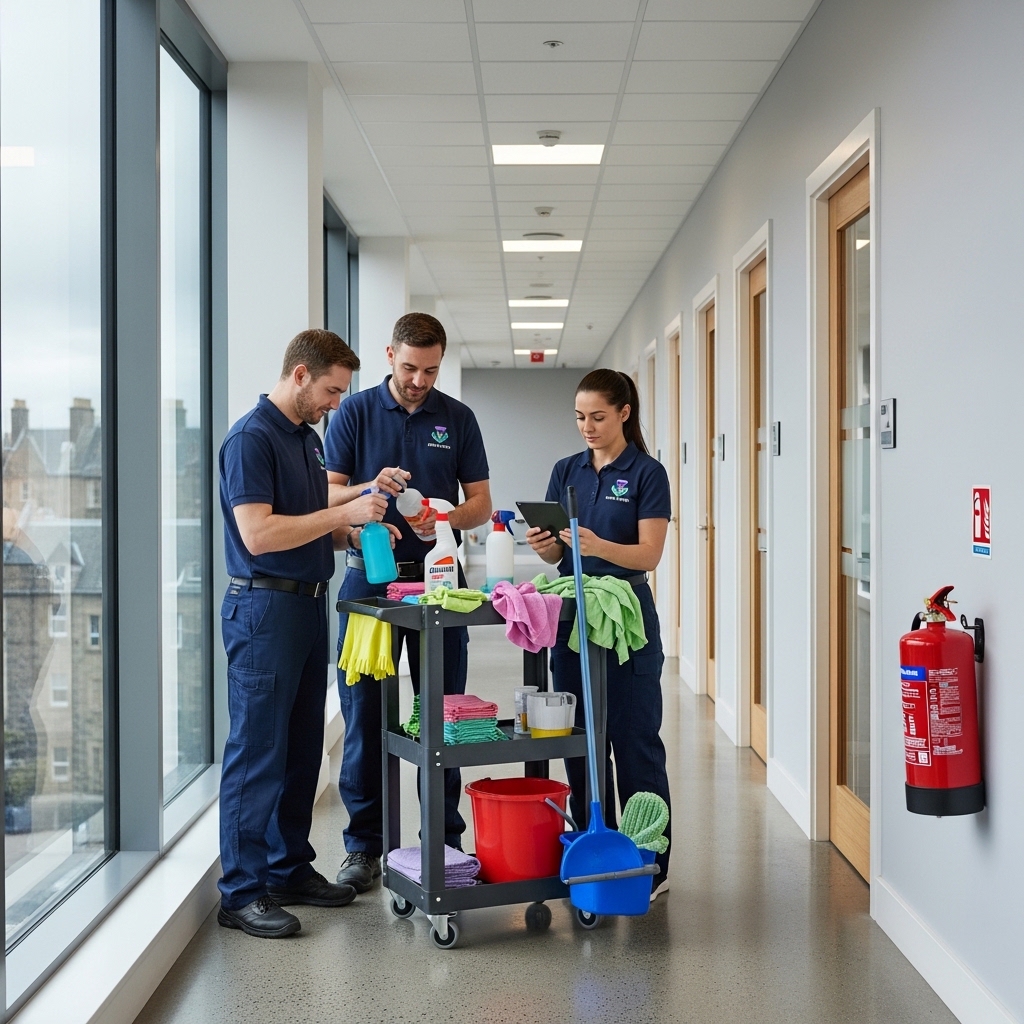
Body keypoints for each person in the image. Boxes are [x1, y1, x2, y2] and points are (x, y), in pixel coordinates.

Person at [218, 328, 394, 939]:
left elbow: (311, 523)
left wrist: (354, 532)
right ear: (299, 375)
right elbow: (259, 534)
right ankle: (241, 893)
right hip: (263, 610)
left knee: (299, 750)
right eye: (330, 390)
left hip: (308, 605)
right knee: (256, 753)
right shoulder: (250, 439)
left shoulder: (307, 440)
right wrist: (344, 511)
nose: (336, 403)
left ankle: (288, 869)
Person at [324, 312, 491, 892]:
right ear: (390, 354)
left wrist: (444, 515)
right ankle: (364, 846)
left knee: (442, 716)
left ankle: (444, 839)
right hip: (369, 581)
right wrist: (369, 489)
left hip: (440, 582)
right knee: (365, 717)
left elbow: (481, 503)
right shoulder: (352, 411)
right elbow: (328, 495)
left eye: (431, 370)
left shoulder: (458, 418)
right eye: (411, 367)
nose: (420, 380)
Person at [526, 368, 672, 901]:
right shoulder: (566, 470)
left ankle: (647, 863)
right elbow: (555, 554)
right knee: (581, 742)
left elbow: (649, 555)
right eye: (580, 417)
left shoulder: (647, 473)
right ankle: (595, 850)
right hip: (575, 619)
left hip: (627, 616)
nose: (587, 427)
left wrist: (596, 545)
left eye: (598, 417)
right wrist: (545, 544)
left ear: (624, 413)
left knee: (635, 743)